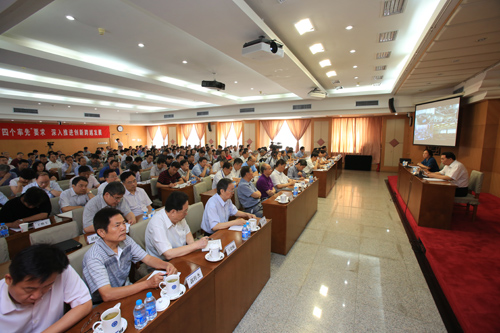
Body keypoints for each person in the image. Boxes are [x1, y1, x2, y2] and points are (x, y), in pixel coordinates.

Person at [82, 208, 177, 303]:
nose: (123, 228)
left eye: (124, 223)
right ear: (101, 232)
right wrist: (147, 284)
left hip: (127, 290)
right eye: (117, 225)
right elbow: (107, 294)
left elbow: (147, 259)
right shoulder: (94, 257)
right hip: (102, 304)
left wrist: (166, 265)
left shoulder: (126, 240)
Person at [0, 244, 92, 332]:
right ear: (9, 280)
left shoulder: (57, 271)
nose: (37, 296)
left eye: (47, 286)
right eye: (29, 289)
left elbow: (84, 304)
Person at [145, 192, 209, 261]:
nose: (186, 213)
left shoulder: (178, 216)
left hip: (180, 255)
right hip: (162, 263)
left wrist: (195, 246)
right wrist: (196, 245)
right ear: (173, 212)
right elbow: (168, 254)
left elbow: (187, 233)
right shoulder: (157, 224)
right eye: (184, 211)